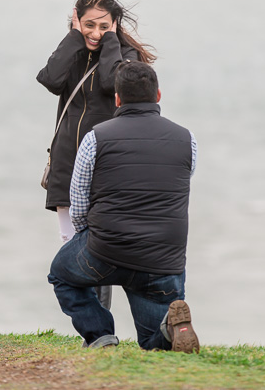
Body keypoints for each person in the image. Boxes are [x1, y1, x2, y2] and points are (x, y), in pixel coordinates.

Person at [47, 61, 200, 352]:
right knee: (151, 343)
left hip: (105, 250)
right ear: (158, 95)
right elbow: (182, 181)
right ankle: (168, 332)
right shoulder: (186, 139)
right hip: (163, 261)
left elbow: (78, 201)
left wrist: (88, 238)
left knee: (61, 273)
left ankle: (100, 336)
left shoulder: (96, 138)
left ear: (117, 99)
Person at [36, 0, 155, 243]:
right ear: (77, 19)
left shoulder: (127, 56)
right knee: (70, 245)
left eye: (104, 26)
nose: (96, 33)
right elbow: (50, 79)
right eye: (89, 25)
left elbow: (110, 82)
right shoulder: (73, 53)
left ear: (115, 24)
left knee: (101, 249)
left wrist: (111, 43)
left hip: (106, 166)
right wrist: (74, 38)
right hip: (67, 164)